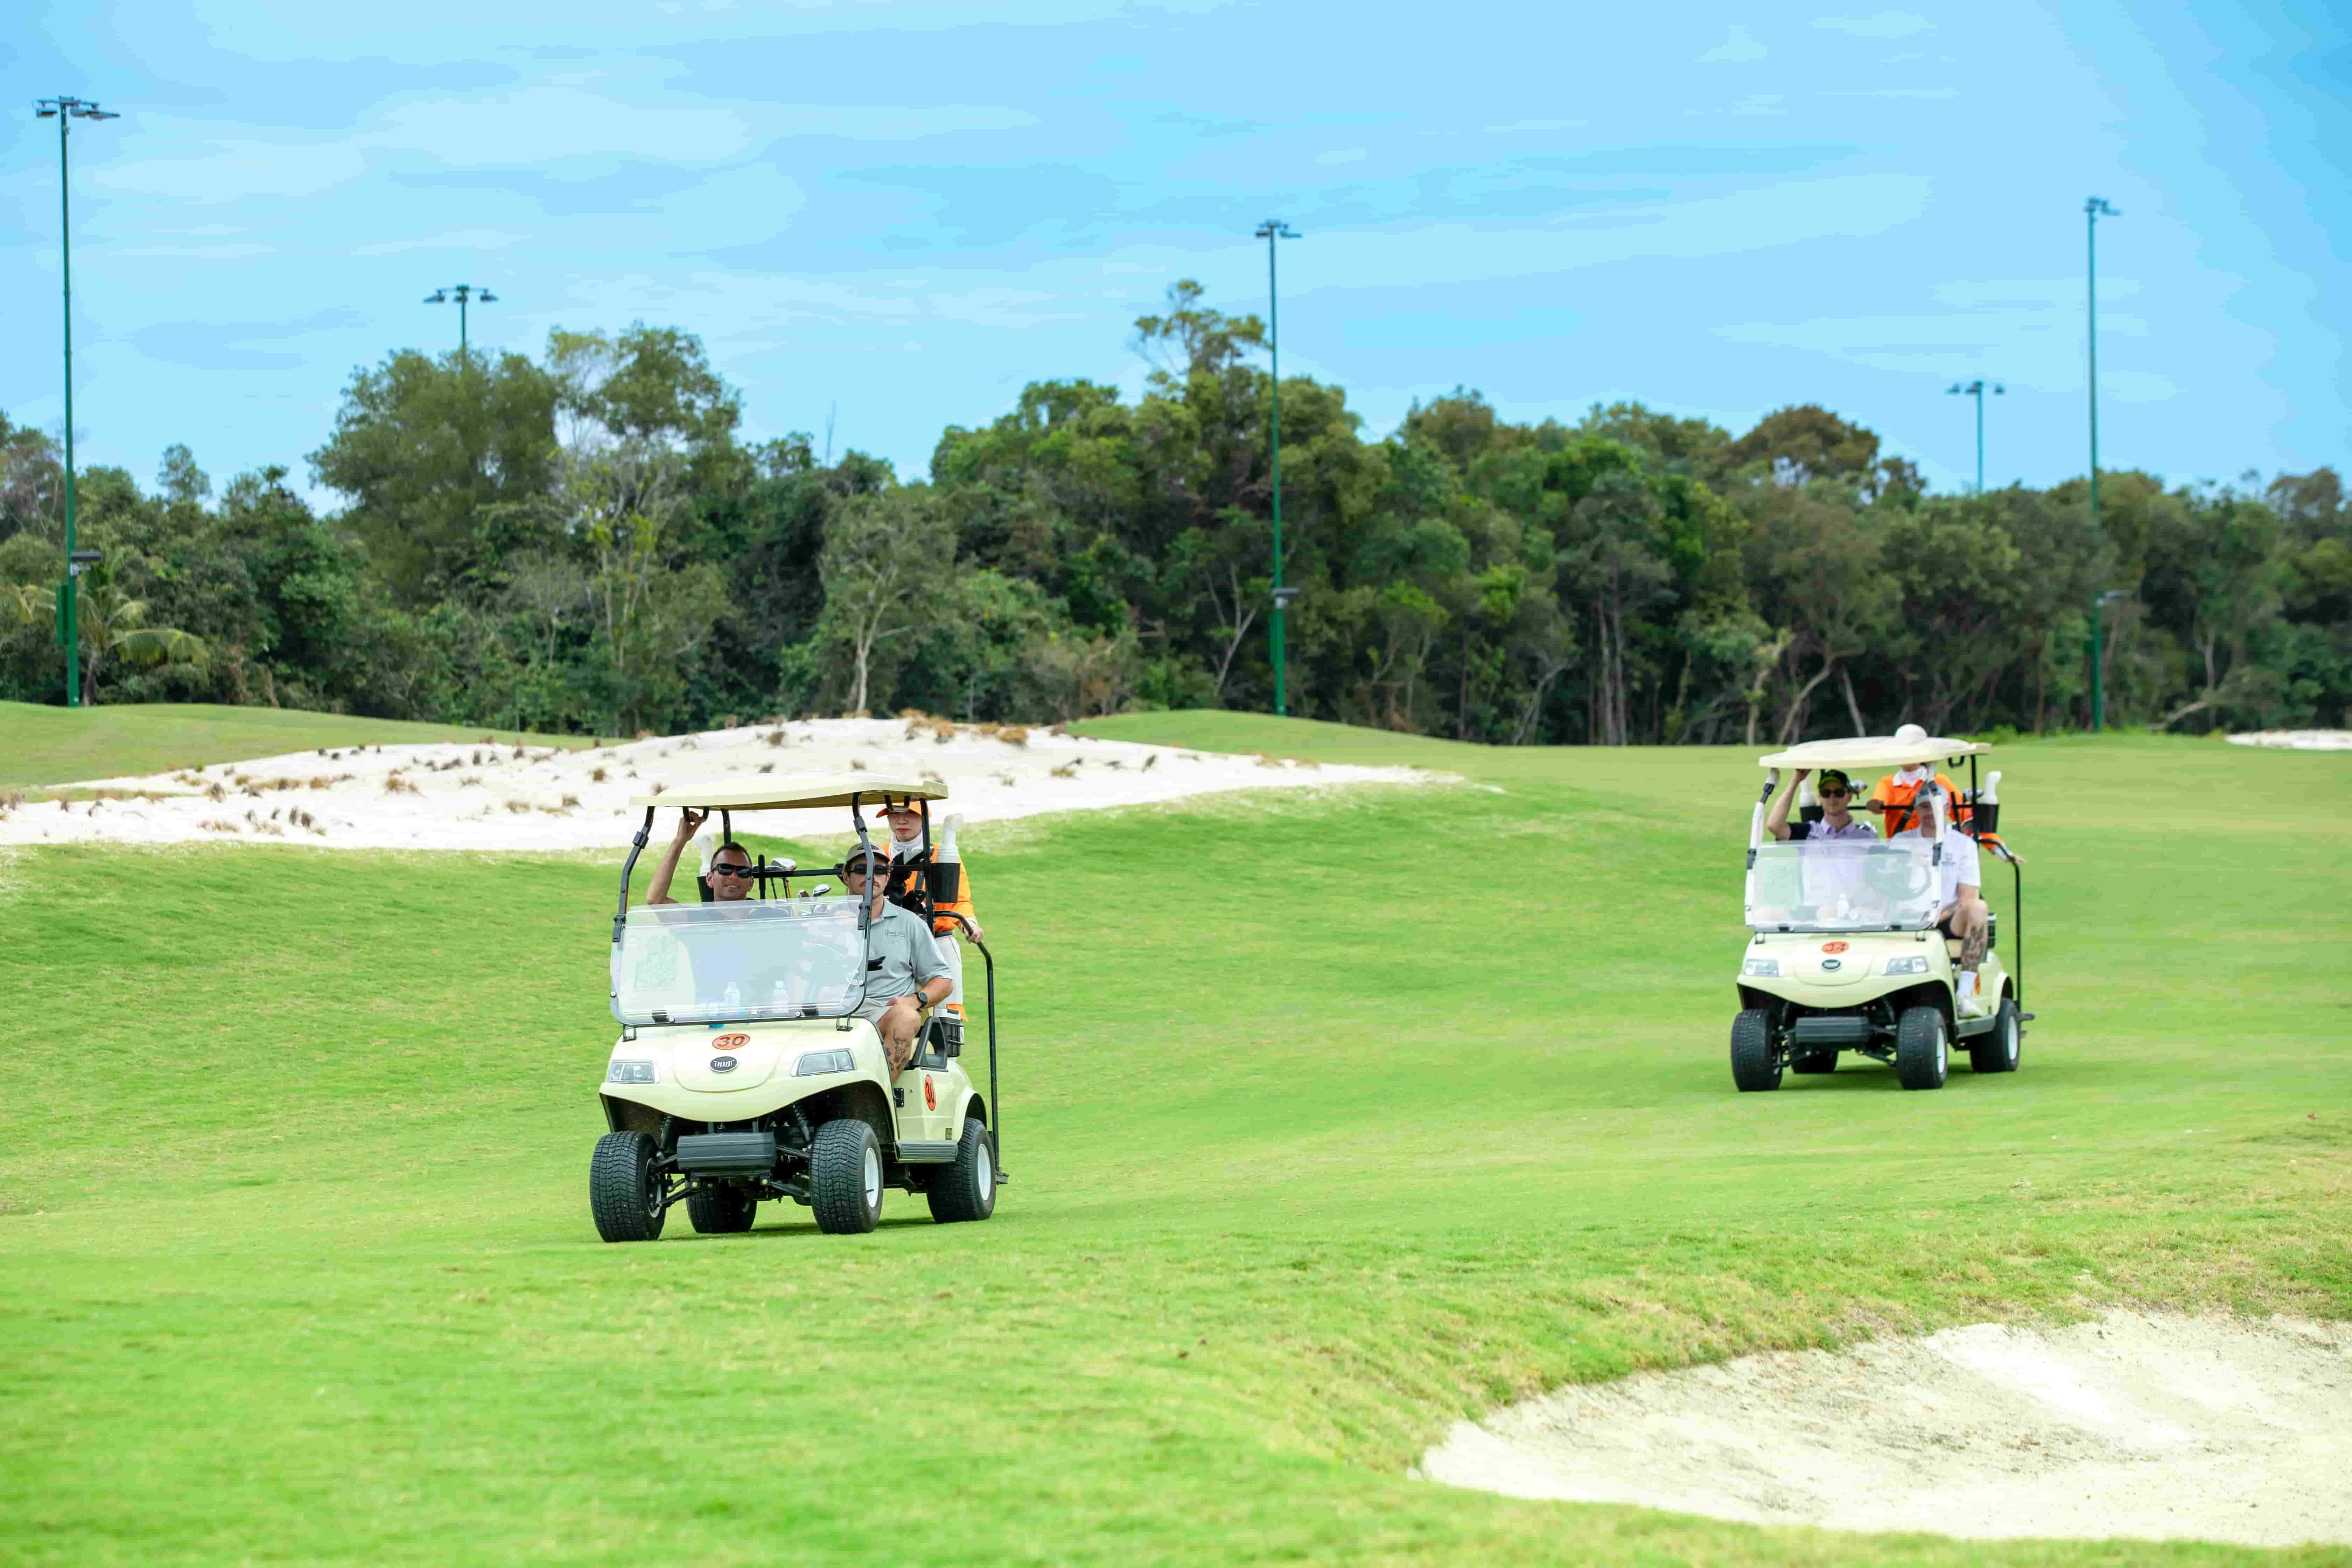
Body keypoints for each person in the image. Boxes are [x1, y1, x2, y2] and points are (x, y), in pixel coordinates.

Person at [839, 840, 953, 1074]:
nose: (872, 877)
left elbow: (943, 980)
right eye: (862, 870)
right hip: (831, 1011)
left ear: (888, 877)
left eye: (879, 871)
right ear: (845, 876)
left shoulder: (909, 923)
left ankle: (881, 1091)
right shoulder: (824, 922)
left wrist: (916, 1000)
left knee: (907, 1017)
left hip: (882, 1011)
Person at [879, 801, 983, 1017]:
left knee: (947, 1015)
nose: (901, 820)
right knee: (889, 1012)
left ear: (924, 818)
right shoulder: (878, 856)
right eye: (894, 814)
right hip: (893, 944)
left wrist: (969, 924)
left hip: (937, 940)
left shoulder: (944, 854)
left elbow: (960, 901)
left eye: (910, 814)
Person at [1894, 785, 1991, 1016]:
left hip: (1947, 919)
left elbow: (1967, 897)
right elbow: (1892, 888)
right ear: (1917, 810)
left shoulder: (1963, 844)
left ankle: (1964, 995)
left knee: (1978, 908)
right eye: (1924, 807)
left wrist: (1936, 917)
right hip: (1907, 918)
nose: (1930, 813)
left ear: (1947, 809)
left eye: (1935, 807)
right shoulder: (1901, 842)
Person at [646, 808, 755, 905]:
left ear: (751, 883)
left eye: (743, 871)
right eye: (725, 869)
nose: (734, 876)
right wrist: (680, 840)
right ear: (710, 879)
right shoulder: (700, 918)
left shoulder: (763, 914)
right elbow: (656, 900)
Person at [1765, 768, 1876, 843]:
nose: (1832, 798)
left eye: (1839, 793)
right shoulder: (1807, 832)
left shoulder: (1866, 838)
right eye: (1826, 793)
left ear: (1849, 797)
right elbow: (1774, 825)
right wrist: (1796, 780)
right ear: (1820, 798)